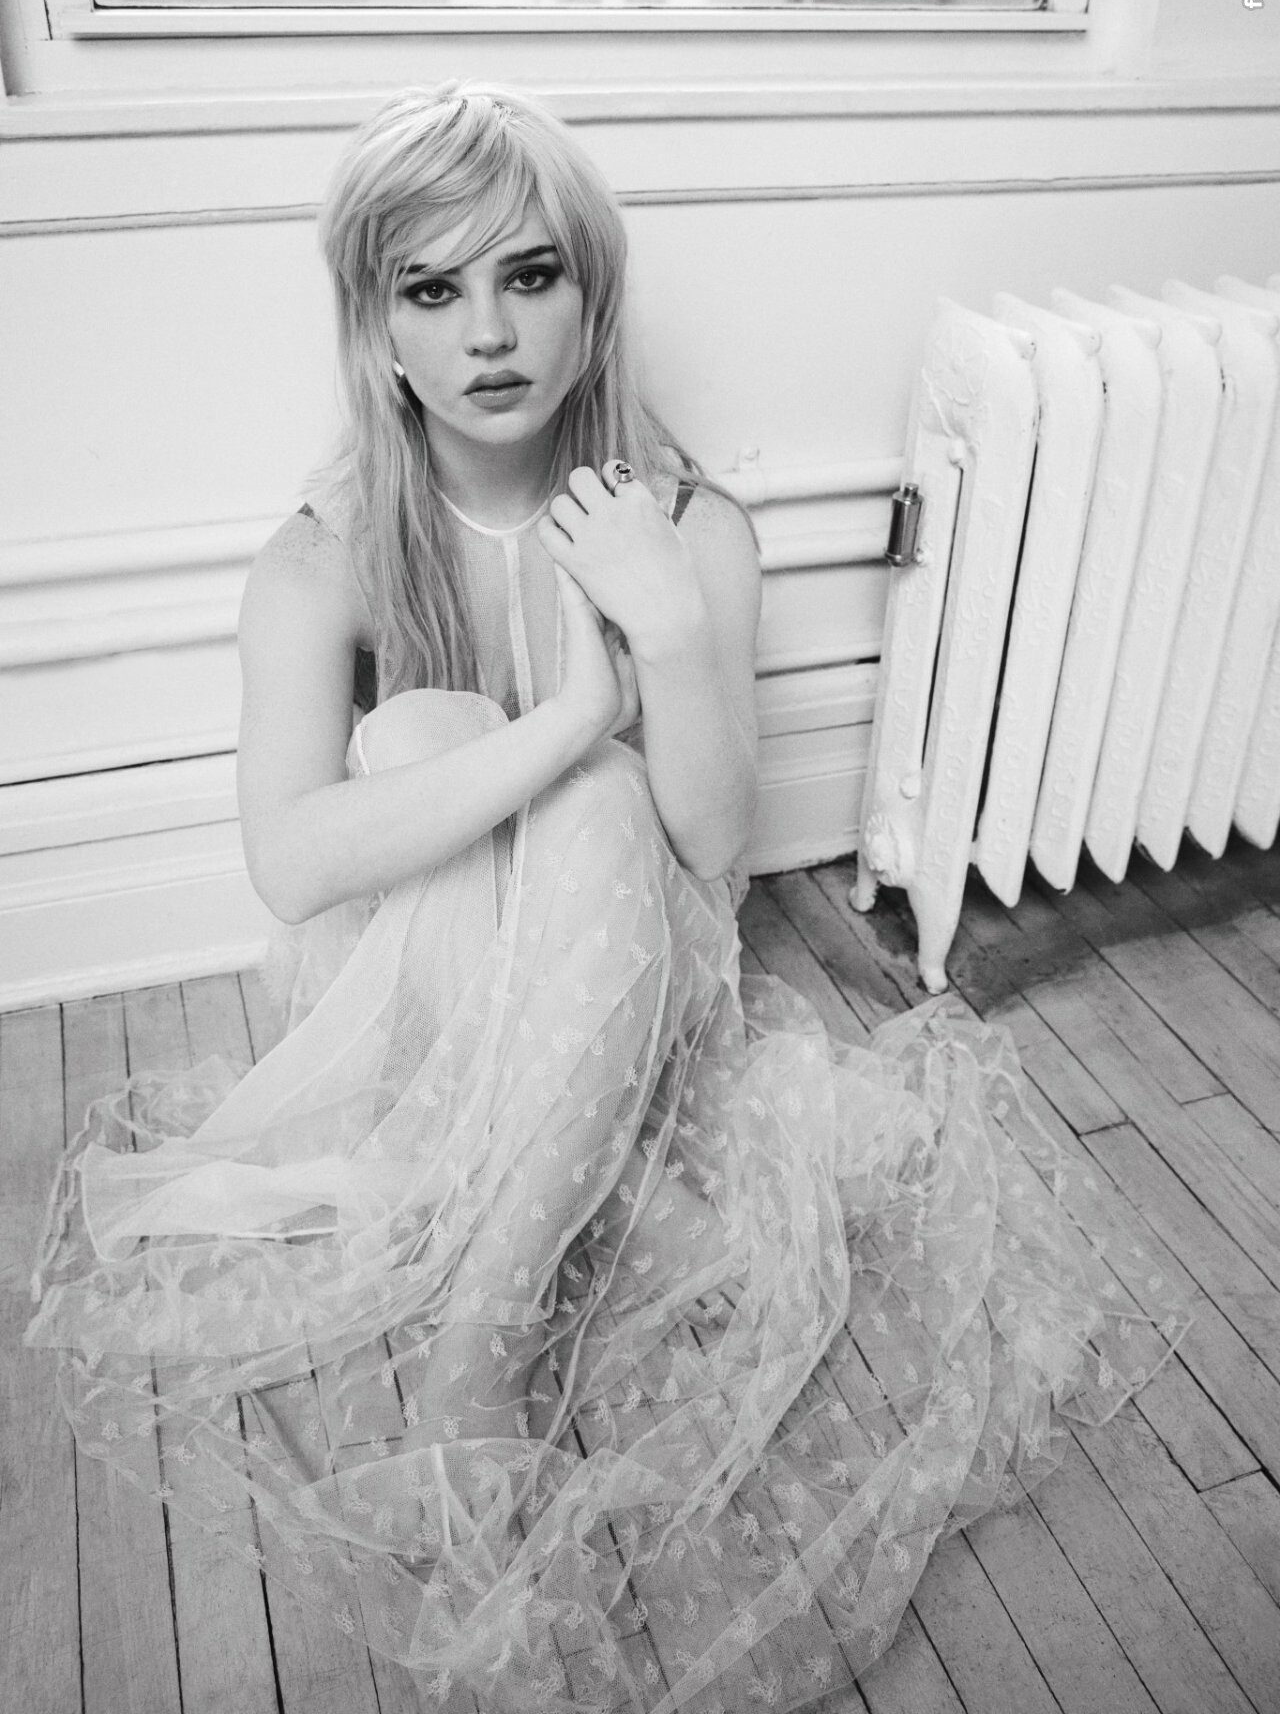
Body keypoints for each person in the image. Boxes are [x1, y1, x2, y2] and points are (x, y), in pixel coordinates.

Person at [27, 84, 1188, 1714]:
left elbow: (712, 846)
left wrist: (672, 628)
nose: (489, 333)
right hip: (421, 1003)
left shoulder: (685, 522)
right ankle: (559, 1218)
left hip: (635, 966)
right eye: (433, 289)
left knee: (600, 802)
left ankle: (481, 1341)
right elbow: (290, 863)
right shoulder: (325, 553)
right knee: (426, 730)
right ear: (377, 331)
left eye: (530, 276)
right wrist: (575, 713)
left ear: (593, 296)